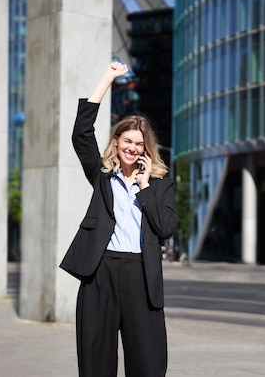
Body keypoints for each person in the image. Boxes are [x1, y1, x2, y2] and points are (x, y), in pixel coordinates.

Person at [60, 61, 177, 377]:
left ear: (145, 149)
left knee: (149, 363)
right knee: (96, 359)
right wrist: (107, 78)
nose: (132, 148)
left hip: (141, 276)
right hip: (101, 273)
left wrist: (144, 187)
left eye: (139, 144)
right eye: (127, 141)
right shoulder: (102, 175)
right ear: (116, 142)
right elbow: (81, 132)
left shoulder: (161, 182)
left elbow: (166, 228)